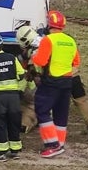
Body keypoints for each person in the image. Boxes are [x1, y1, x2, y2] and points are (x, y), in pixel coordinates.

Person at [29, 9, 80, 157]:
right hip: (67, 81)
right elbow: (76, 62)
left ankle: (52, 144)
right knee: (61, 113)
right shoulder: (71, 41)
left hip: (51, 81)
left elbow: (41, 61)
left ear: (49, 25)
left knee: (42, 110)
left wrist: (34, 55)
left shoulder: (48, 40)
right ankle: (60, 143)